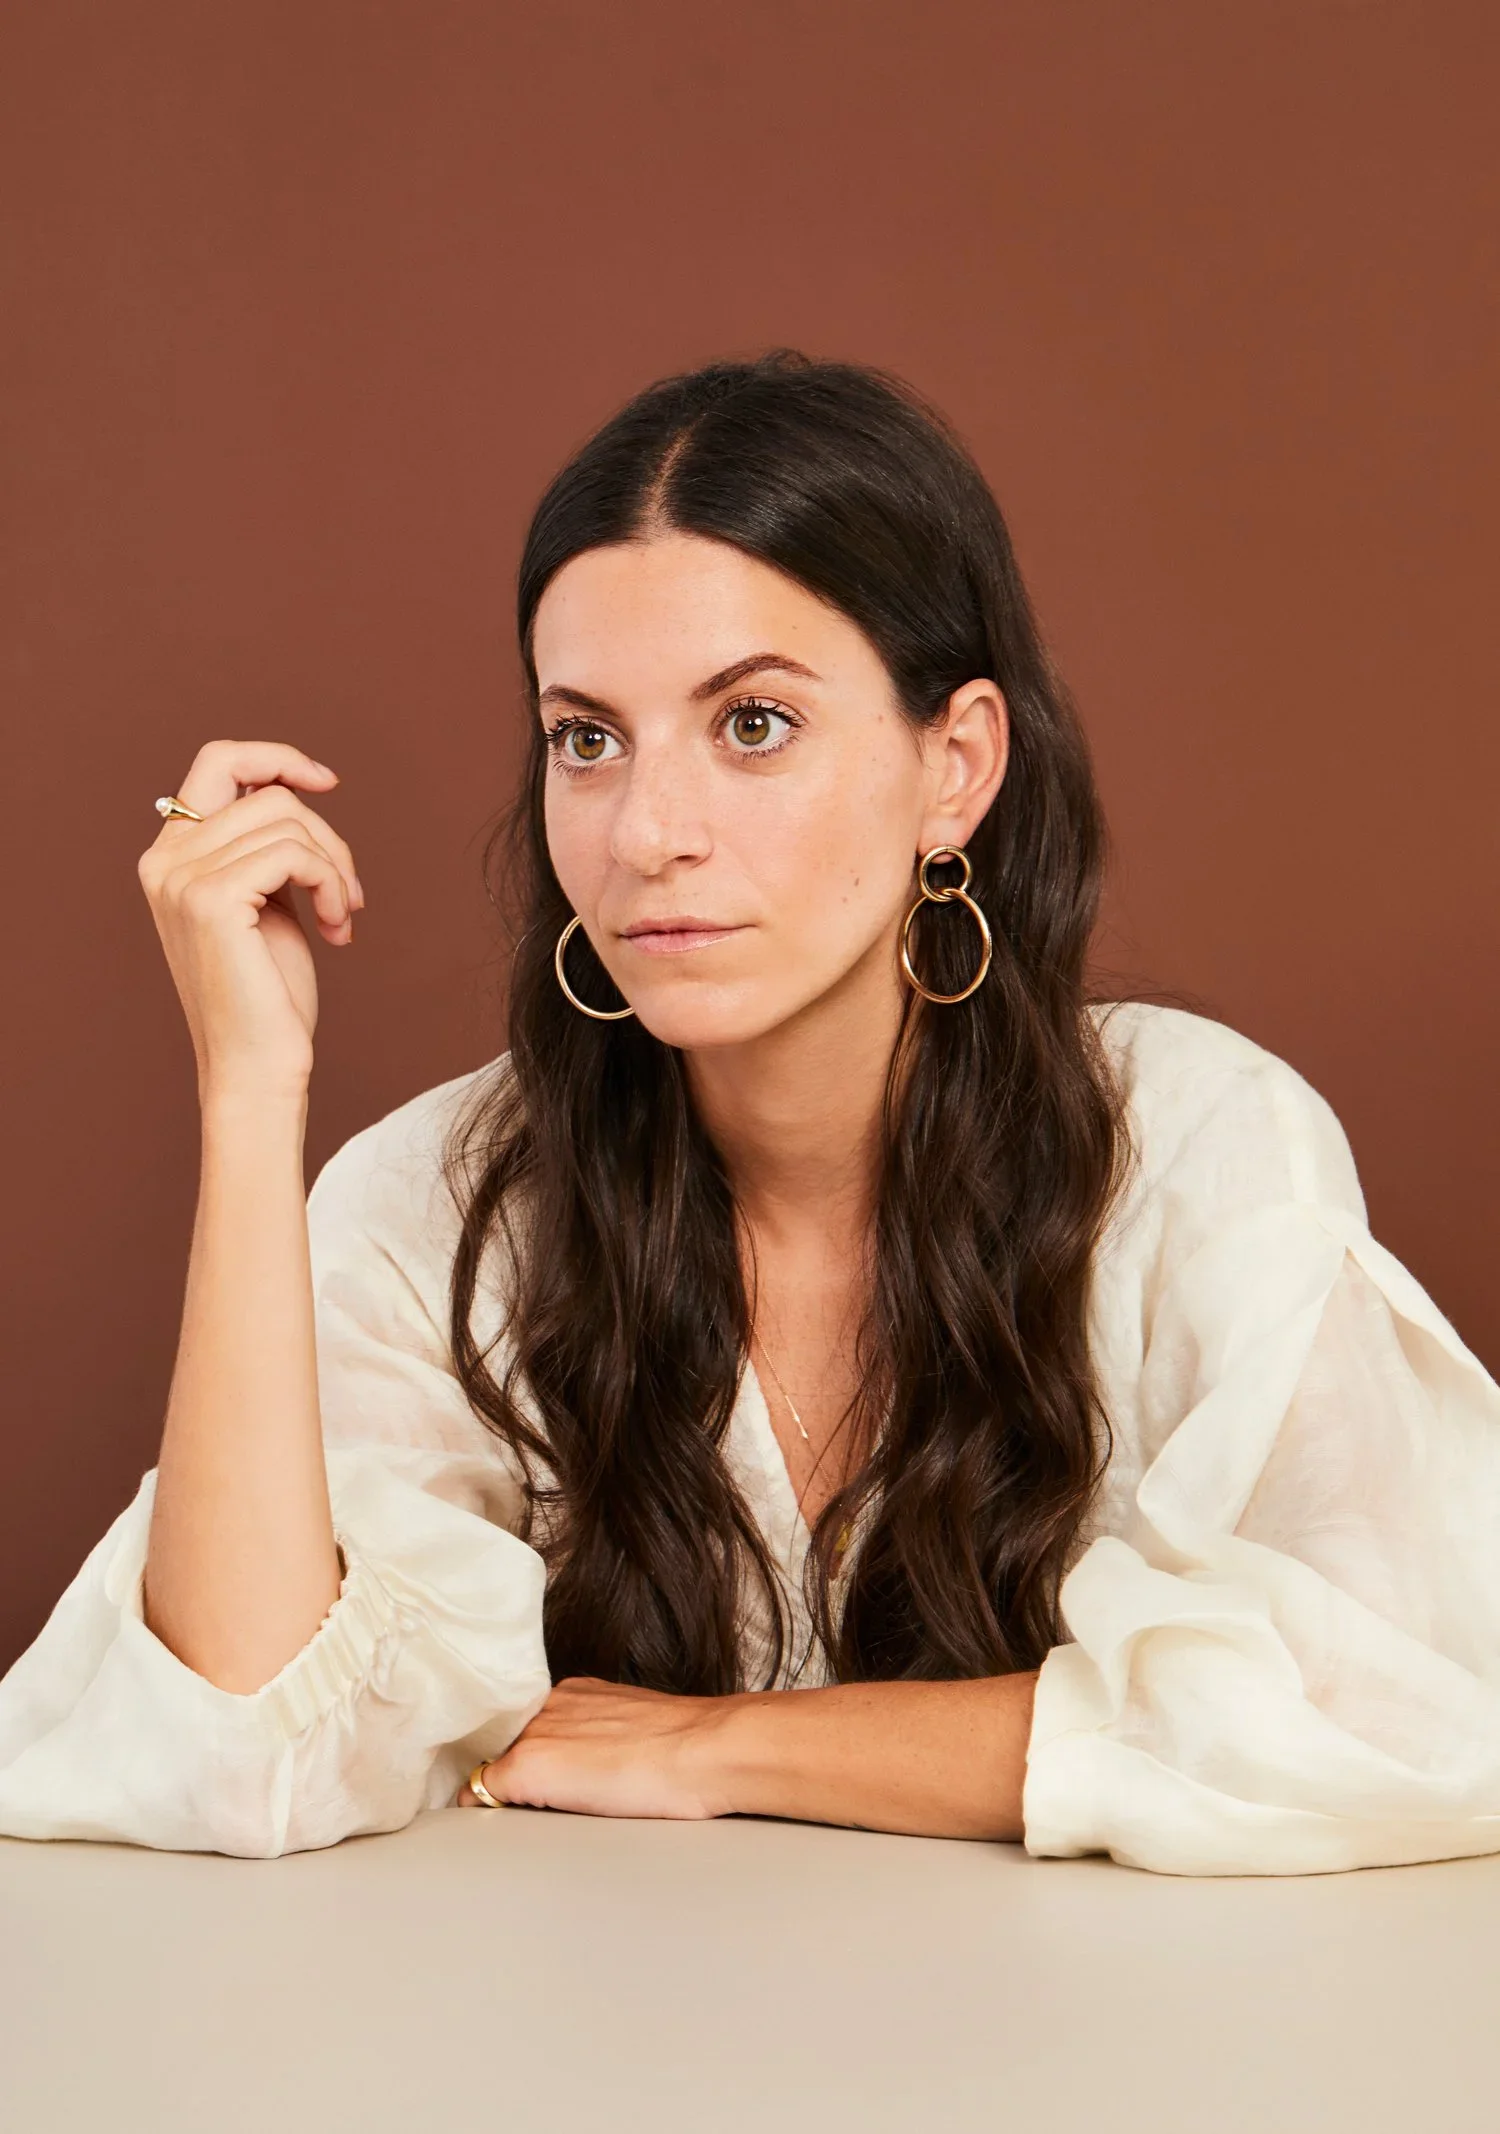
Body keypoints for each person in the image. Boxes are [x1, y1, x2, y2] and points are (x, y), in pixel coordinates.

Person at [2, 350, 1497, 1875]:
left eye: (754, 724)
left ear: (955, 767)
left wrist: (724, 1746)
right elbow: (232, 1746)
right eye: (587, 736)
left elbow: (1412, 1705)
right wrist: (251, 1099)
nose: (649, 831)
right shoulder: (442, 1204)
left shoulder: (1193, 1152)